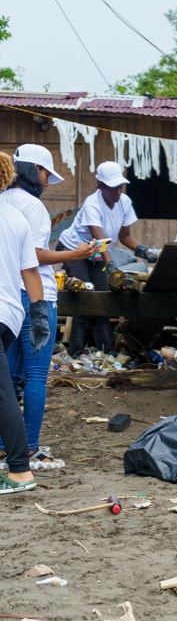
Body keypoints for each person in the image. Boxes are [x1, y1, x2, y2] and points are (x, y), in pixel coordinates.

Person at [2, 145, 96, 471]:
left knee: (9, 378)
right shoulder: (33, 206)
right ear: (34, 169)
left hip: (8, 301)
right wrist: (74, 255)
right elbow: (36, 256)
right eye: (45, 173)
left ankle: (4, 446)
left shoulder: (2, 202)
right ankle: (28, 447)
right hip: (35, 295)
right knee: (36, 377)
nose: (46, 181)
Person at [58, 162, 159, 356]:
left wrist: (143, 250)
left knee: (103, 298)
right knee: (84, 294)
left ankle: (105, 351)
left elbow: (125, 237)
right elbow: (100, 239)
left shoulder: (125, 202)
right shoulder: (92, 204)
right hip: (75, 249)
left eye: (119, 187)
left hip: (96, 252)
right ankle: (76, 352)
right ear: (101, 186)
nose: (117, 192)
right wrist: (110, 265)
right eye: (112, 188)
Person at [0, 151, 49, 494]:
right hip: (9, 316)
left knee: (4, 391)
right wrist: (39, 314)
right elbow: (30, 271)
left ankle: (19, 471)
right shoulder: (15, 217)